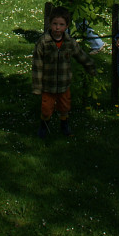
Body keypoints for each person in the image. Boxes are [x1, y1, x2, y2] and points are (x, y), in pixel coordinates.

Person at [31, 7, 97, 138]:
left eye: (61, 25)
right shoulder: (43, 42)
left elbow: (80, 55)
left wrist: (90, 66)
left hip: (63, 83)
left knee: (64, 106)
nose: (57, 28)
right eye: (55, 24)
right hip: (48, 85)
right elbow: (37, 65)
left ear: (66, 26)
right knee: (46, 108)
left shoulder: (69, 42)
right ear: (50, 24)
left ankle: (64, 125)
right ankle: (44, 126)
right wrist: (37, 87)